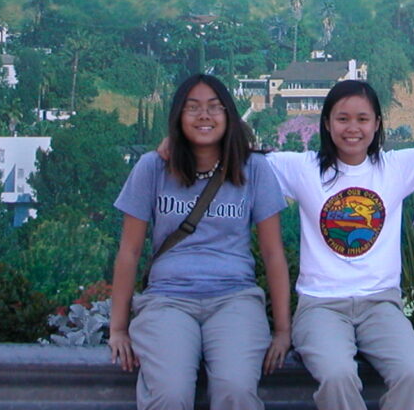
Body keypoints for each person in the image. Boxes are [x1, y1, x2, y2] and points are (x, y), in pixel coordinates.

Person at [159, 78, 414, 410]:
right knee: (338, 375)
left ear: (376, 124)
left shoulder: (396, 167)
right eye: (342, 118)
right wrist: (176, 142)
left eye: (362, 119)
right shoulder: (303, 168)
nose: (352, 128)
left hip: (382, 304)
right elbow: (240, 155)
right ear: (326, 123)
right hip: (320, 306)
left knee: (411, 373)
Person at [108, 74, 291, 410]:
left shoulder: (255, 170)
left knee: (235, 390)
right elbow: (129, 251)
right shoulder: (153, 167)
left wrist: (282, 330)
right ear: (178, 116)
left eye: (214, 108)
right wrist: (117, 328)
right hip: (168, 300)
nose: (204, 116)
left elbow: (272, 253)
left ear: (229, 116)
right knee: (170, 394)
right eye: (192, 108)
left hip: (235, 298)